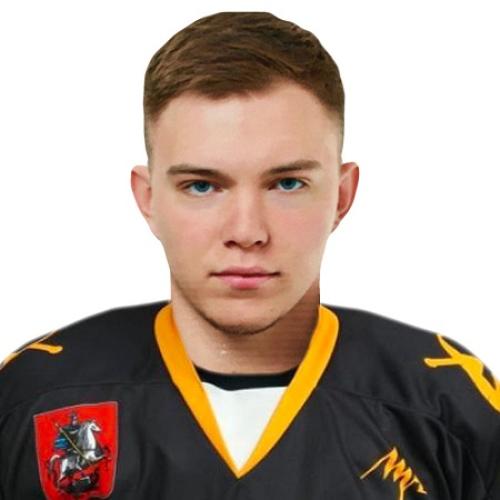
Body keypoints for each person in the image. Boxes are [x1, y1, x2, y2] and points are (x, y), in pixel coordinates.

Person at [0, 10, 498, 499]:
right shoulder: (29, 395)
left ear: (342, 196)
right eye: (202, 186)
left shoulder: (449, 409)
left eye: (287, 183)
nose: (246, 232)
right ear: (148, 199)